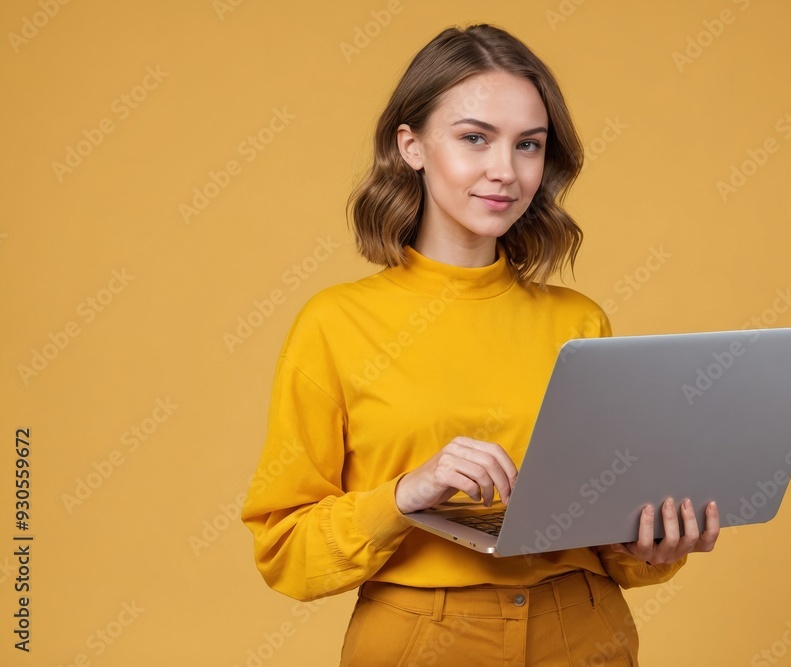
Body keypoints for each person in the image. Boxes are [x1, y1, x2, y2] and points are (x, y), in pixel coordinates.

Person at [241, 23, 720, 666]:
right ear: (410, 145)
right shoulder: (335, 323)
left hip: (584, 630)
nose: (505, 171)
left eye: (529, 145)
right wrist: (406, 493)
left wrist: (654, 549)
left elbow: (613, 548)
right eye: (475, 139)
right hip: (420, 638)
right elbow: (286, 554)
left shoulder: (579, 323)